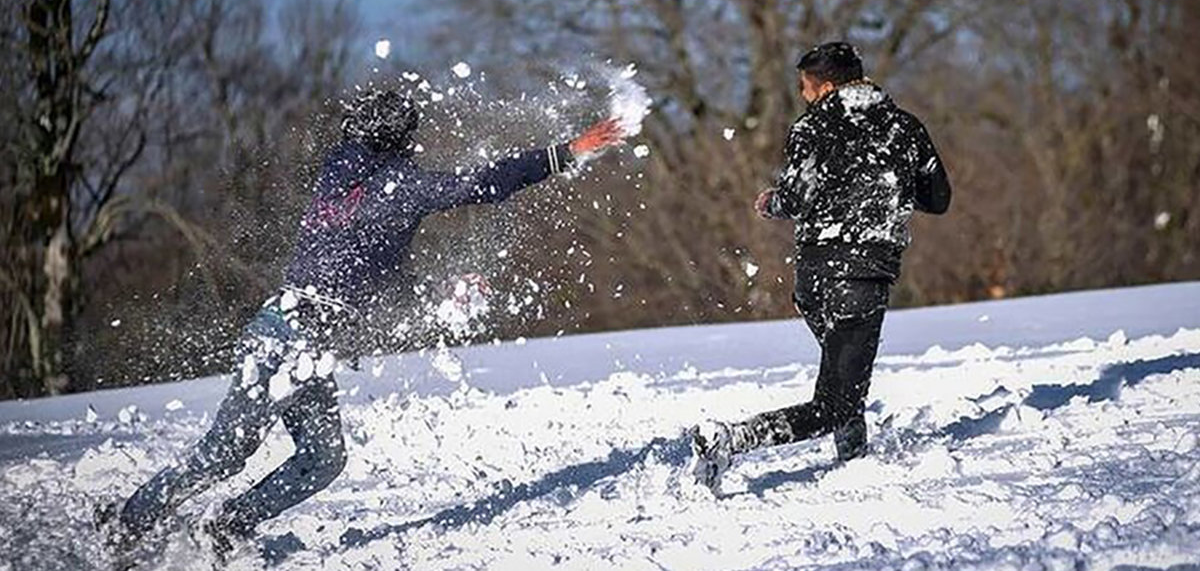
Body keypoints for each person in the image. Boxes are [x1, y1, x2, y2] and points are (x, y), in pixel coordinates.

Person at [97, 88, 625, 561]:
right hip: (288, 338)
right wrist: (567, 152)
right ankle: (126, 523)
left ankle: (225, 529)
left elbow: (376, 271)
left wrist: (439, 294)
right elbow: (482, 184)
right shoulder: (399, 185)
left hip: (300, 344)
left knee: (323, 458)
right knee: (226, 452)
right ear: (401, 142)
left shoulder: (339, 169)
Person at [689, 42, 951, 492]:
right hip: (864, 274)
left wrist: (772, 203)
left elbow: (796, 196)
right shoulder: (905, 128)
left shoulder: (811, 127)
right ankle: (729, 439)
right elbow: (938, 199)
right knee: (835, 399)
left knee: (842, 378)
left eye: (805, 88)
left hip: (814, 277)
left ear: (826, 87)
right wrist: (892, 185)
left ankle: (854, 462)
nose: (804, 96)